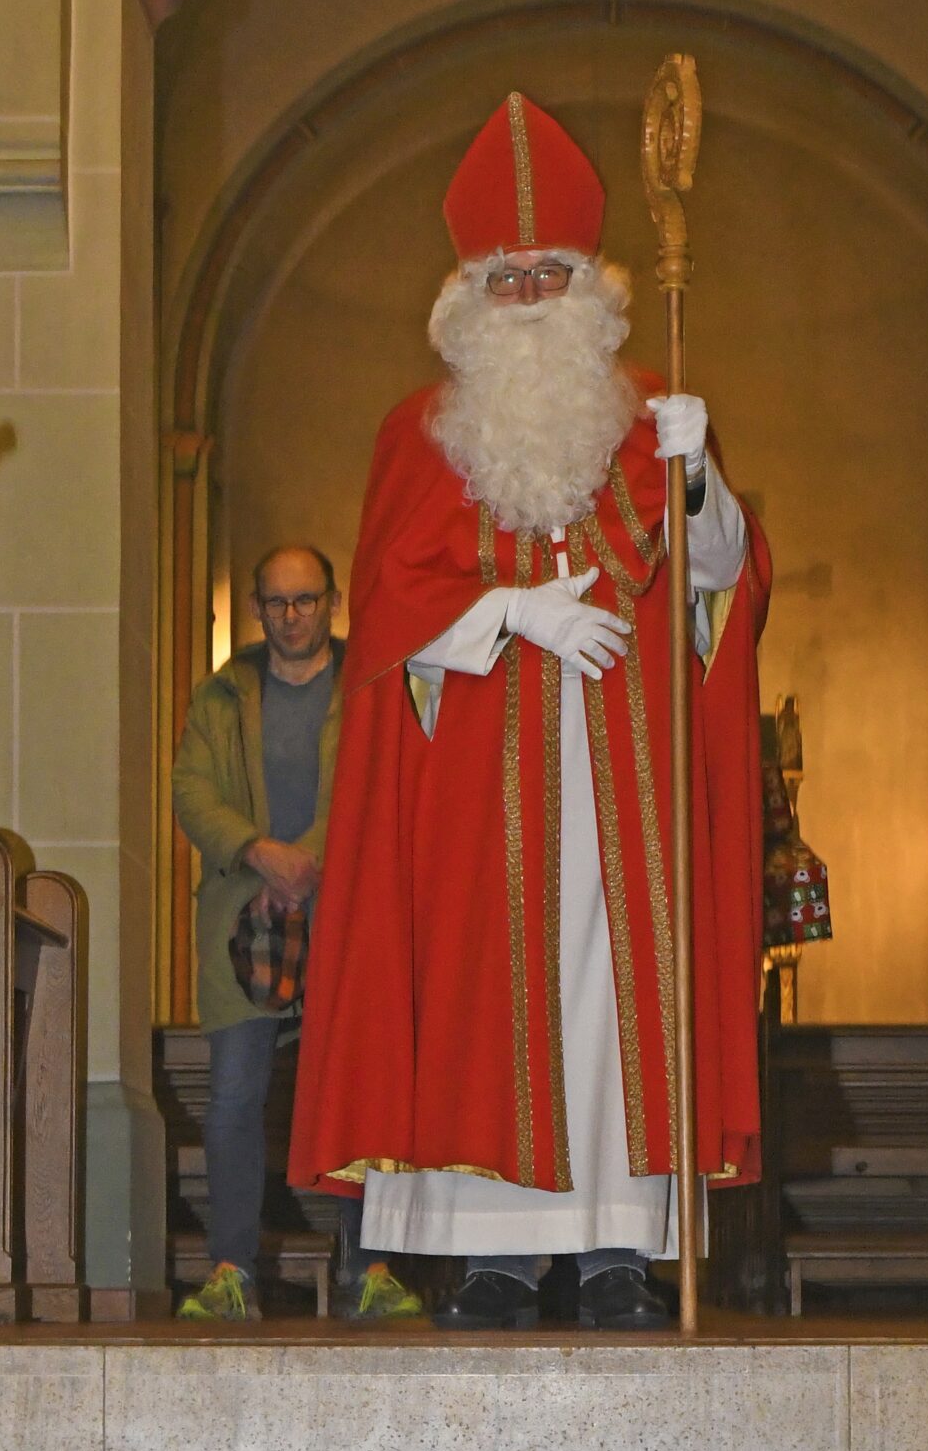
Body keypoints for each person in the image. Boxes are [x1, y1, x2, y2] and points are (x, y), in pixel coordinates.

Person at [289, 92, 772, 1332]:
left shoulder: (649, 418)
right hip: (472, 790)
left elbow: (719, 580)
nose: (525, 295)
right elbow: (391, 614)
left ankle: (618, 1250)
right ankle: (493, 1260)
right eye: (503, 277)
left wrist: (701, 474)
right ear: (464, 293)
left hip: (624, 785)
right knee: (472, 1001)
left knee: (612, 1008)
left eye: (546, 271)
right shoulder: (422, 433)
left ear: (591, 287)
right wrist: (509, 614)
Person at [170, 543, 424, 1326]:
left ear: (333, 601)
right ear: (256, 608)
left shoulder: (371, 684)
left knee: (359, 1091)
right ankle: (231, 1270)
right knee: (235, 1098)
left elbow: (387, 777)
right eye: (277, 603)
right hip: (246, 920)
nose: (292, 616)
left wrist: (310, 856)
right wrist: (260, 851)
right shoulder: (220, 695)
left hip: (348, 914)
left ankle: (371, 1266)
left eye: (306, 600)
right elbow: (191, 789)